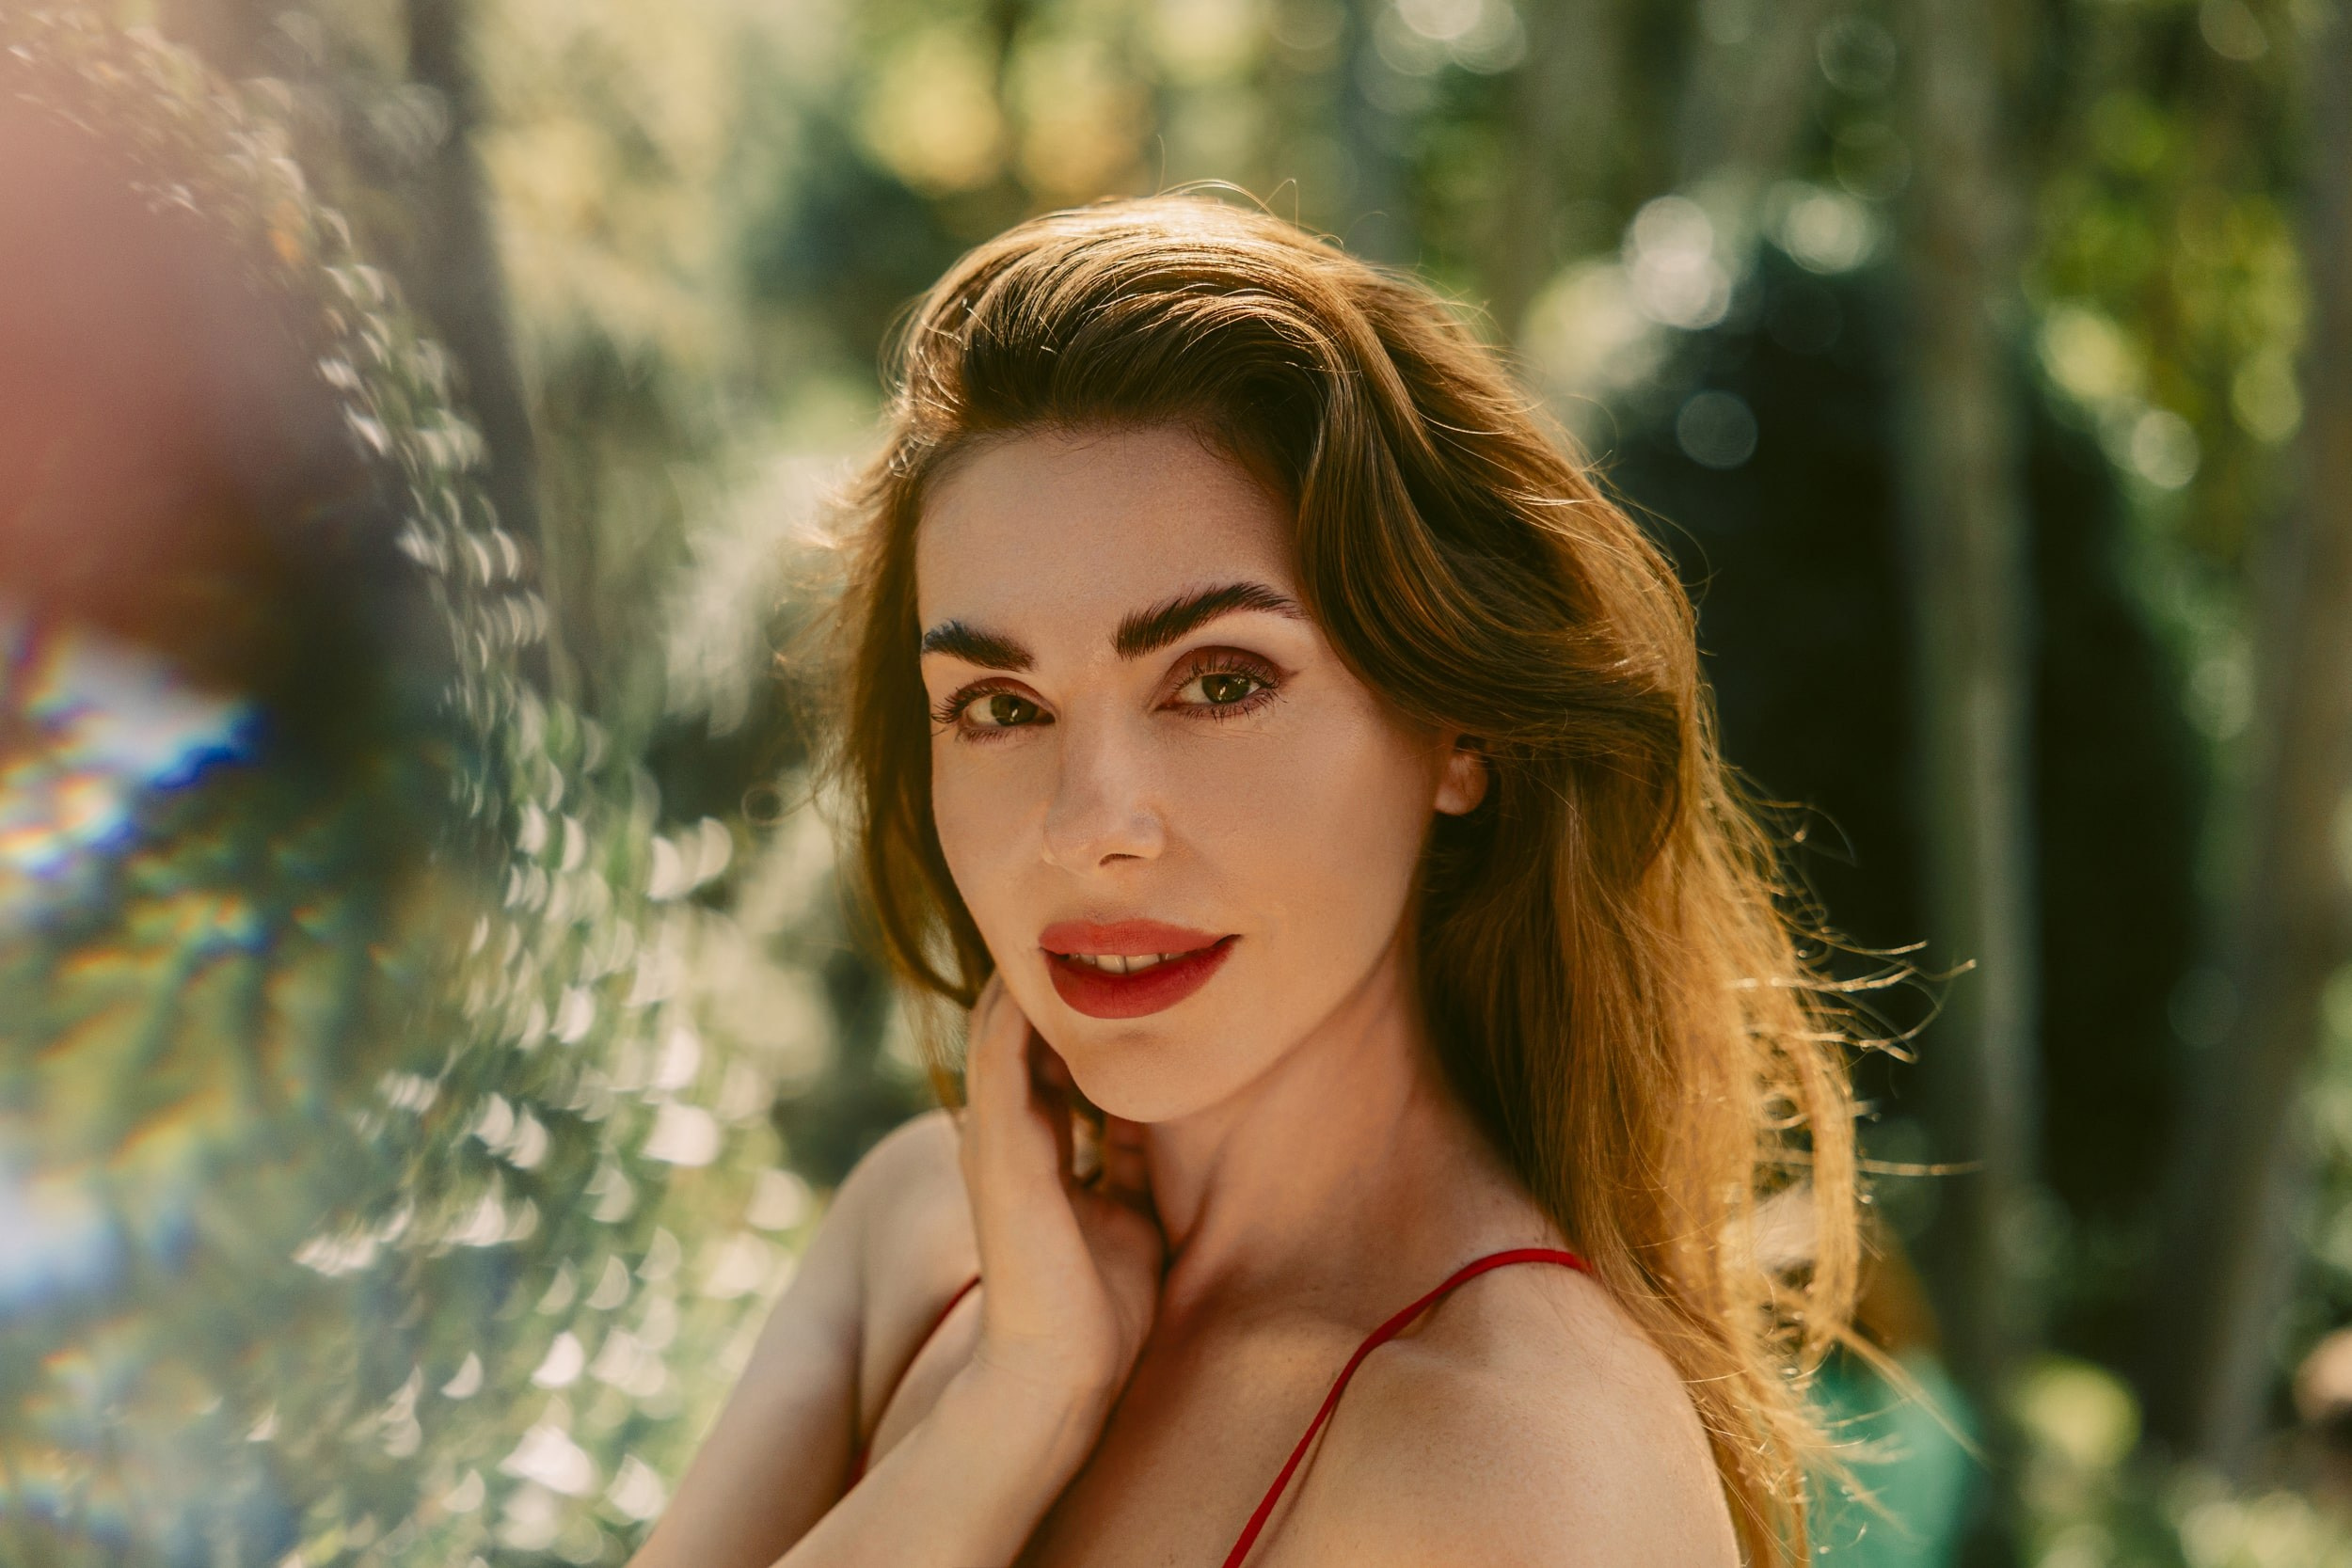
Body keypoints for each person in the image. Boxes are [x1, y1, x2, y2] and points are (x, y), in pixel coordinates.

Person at [628, 195, 1862, 1568]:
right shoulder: (917, 1235)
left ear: (1460, 732)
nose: (1092, 828)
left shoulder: (1519, 1462)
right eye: (997, 705)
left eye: (1219, 683)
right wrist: (1012, 1407)